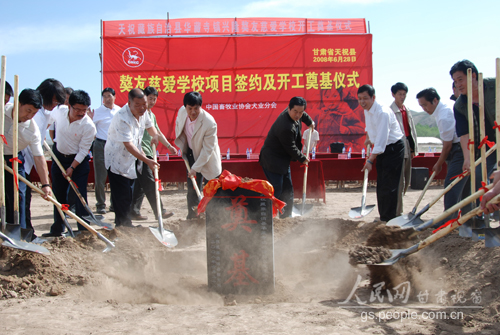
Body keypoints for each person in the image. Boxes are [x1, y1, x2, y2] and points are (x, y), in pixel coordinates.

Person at [42, 90, 96, 237]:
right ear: (69, 105)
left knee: (80, 196)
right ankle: (58, 229)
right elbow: (47, 120)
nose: (81, 113)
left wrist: (72, 167)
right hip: (59, 157)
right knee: (58, 195)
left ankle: (84, 229)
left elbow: (84, 150)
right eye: (77, 109)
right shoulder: (59, 111)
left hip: (78, 162)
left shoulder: (89, 126)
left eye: (84, 110)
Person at [450, 60, 497, 228]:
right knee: (478, 177)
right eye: (455, 81)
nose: (458, 85)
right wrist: (467, 158)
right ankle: (480, 218)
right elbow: (464, 133)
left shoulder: (494, 86)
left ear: (473, 76)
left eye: (460, 79)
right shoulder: (460, 105)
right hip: (486, 148)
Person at [105, 88, 159, 227]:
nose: (142, 108)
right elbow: (128, 145)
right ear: (129, 103)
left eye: (144, 104)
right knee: (122, 195)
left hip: (131, 159)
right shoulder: (122, 117)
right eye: (137, 105)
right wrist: (146, 160)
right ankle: (124, 226)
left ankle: (122, 224)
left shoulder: (144, 112)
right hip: (117, 159)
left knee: (127, 193)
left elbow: (150, 127)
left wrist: (155, 136)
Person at [3, 89, 52, 238]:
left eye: (34, 113)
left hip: (14, 160)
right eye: (27, 110)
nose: (29, 116)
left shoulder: (32, 129)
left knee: (19, 198)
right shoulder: (2, 110)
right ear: (19, 103)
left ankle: (19, 237)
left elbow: (39, 157)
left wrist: (45, 185)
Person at [22, 78, 66, 234]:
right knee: (22, 199)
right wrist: (45, 183)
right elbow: (38, 153)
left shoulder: (45, 113)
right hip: (22, 158)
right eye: (53, 101)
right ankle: (26, 233)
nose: (55, 105)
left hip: (29, 160)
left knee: (25, 198)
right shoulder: (35, 115)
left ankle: (28, 232)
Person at [259, 97, 314, 218]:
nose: (298, 115)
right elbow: (291, 148)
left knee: (288, 188)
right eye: (296, 112)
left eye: (301, 112)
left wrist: (310, 122)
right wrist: (302, 158)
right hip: (272, 160)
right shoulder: (285, 127)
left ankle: (287, 215)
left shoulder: (296, 113)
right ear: (289, 109)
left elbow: (303, 115)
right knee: (277, 189)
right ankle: (268, 216)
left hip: (283, 160)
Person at [359, 84, 405, 222]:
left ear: (373, 98)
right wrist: (368, 138)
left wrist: (370, 160)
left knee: (390, 185)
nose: (362, 102)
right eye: (359, 98)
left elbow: (381, 141)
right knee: (382, 184)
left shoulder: (382, 112)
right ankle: (384, 217)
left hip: (393, 149)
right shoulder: (368, 109)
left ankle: (390, 218)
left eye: (365, 98)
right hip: (383, 150)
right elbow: (371, 127)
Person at [131, 86, 177, 221]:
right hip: (141, 153)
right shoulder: (139, 113)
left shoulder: (151, 115)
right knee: (150, 182)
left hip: (150, 153)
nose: (152, 102)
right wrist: (141, 151)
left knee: (140, 184)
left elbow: (157, 132)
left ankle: (133, 210)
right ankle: (160, 211)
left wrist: (168, 146)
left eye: (154, 99)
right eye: (150, 98)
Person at [417, 88, 462, 223]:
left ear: (435, 100)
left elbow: (447, 145)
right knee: (460, 186)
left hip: (458, 151)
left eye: (425, 105)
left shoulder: (444, 116)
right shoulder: (441, 112)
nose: (424, 109)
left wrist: (439, 163)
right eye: (421, 106)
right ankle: (458, 219)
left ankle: (448, 220)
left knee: (451, 185)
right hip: (456, 149)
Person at [174, 91, 222, 220]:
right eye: (190, 108)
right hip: (190, 153)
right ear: (185, 107)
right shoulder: (182, 112)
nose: (193, 112)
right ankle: (193, 217)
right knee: (192, 188)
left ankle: (215, 218)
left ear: (201, 107)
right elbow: (179, 126)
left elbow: (207, 150)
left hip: (208, 158)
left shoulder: (209, 122)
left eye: (196, 108)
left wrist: (195, 168)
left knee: (212, 189)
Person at [389, 82, 418, 215]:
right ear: (393, 94)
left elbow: (411, 132)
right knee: (399, 181)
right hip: (397, 147)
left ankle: (399, 208)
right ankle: (397, 211)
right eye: (400, 94)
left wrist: (413, 149)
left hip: (407, 146)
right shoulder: (390, 112)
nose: (402, 97)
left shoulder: (407, 110)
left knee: (406, 180)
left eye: (404, 94)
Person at [91, 87, 120, 214]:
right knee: (100, 177)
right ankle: (100, 204)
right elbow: (90, 128)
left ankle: (114, 204)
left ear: (114, 97)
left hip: (115, 145)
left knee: (115, 176)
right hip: (100, 145)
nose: (107, 99)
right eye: (104, 97)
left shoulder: (120, 111)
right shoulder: (97, 112)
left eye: (109, 96)